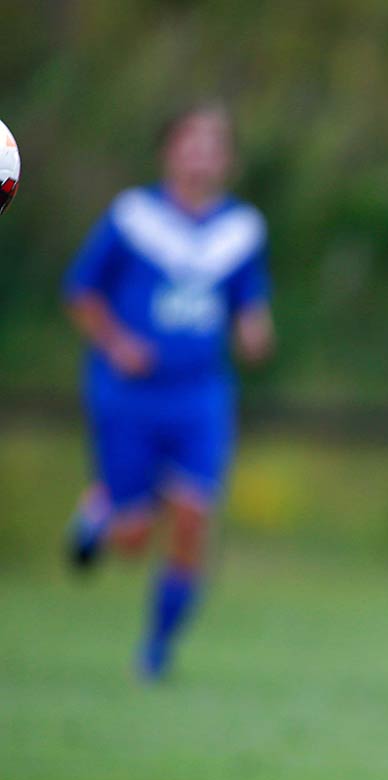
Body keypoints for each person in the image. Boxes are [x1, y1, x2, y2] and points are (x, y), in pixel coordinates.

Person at [63, 102, 273, 680]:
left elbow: (247, 298)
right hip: (130, 394)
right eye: (192, 141)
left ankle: (155, 650)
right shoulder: (133, 218)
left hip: (200, 396)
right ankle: (104, 511)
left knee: (192, 519)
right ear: (169, 151)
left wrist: (254, 328)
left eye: (214, 144)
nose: (203, 154)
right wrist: (118, 342)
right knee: (133, 540)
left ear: (228, 159)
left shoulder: (241, 230)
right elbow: (81, 292)